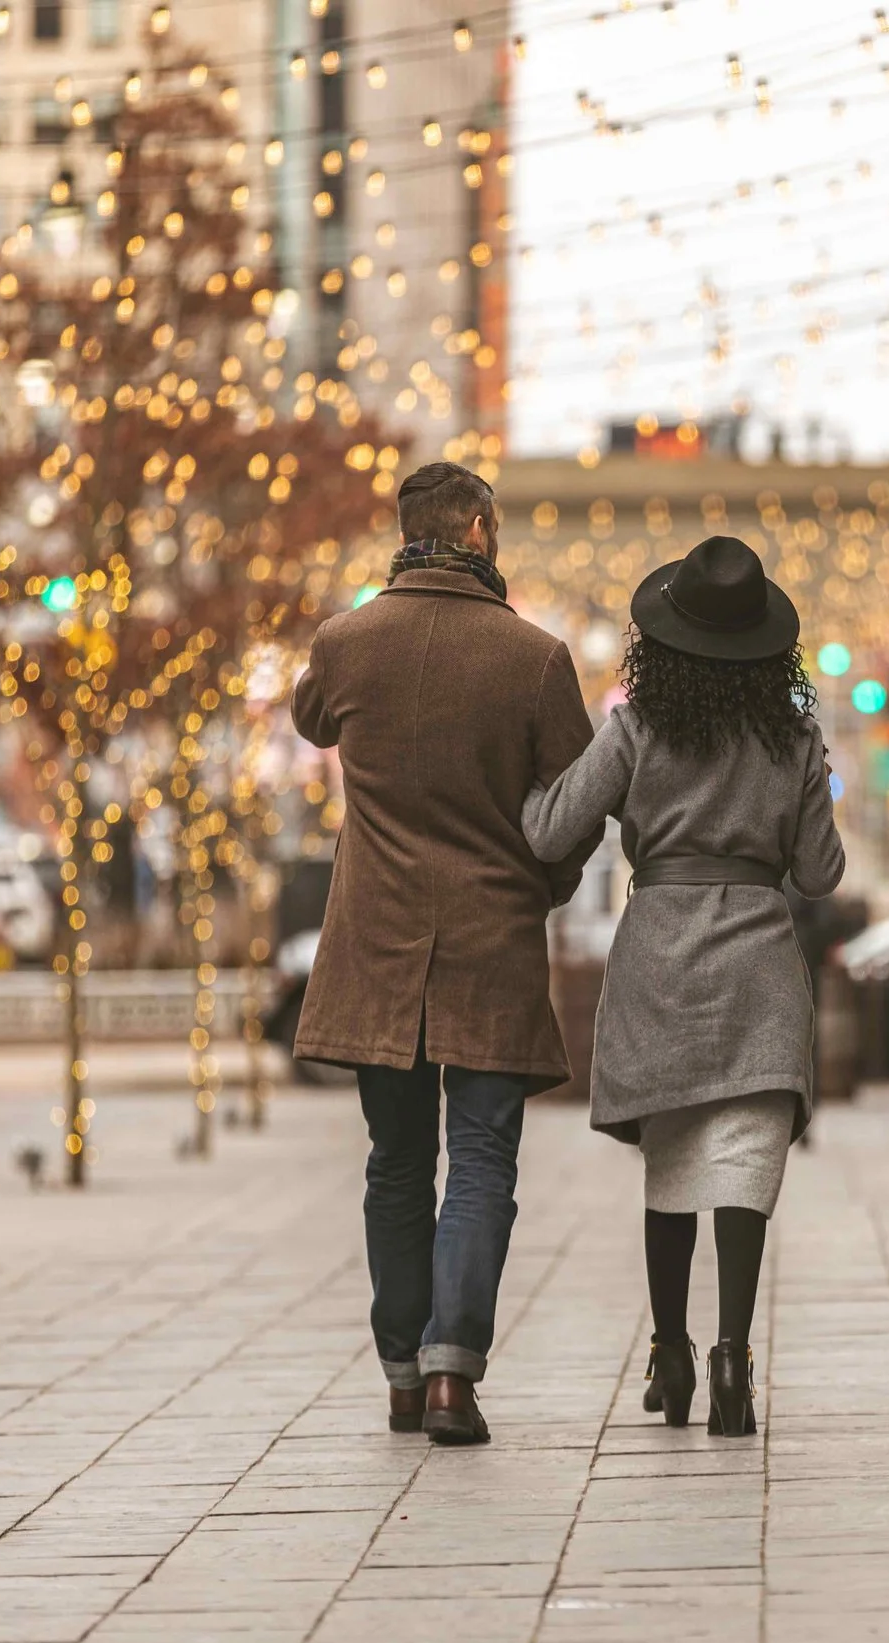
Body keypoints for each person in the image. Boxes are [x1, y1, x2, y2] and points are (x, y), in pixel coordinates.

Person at [290, 461, 595, 1446]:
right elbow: (576, 803)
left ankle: (396, 1371)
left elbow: (311, 715)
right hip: (492, 935)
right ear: (476, 529)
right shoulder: (535, 657)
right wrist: (543, 884)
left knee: (393, 1161)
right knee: (481, 1158)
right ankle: (451, 1373)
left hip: (377, 940)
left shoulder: (345, 642)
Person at [523, 536, 844, 1438]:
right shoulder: (795, 738)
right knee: (744, 1155)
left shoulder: (635, 728)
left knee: (672, 1159)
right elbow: (820, 873)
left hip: (660, 957)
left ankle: (671, 1354)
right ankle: (733, 1359)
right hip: (759, 967)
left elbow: (551, 832)